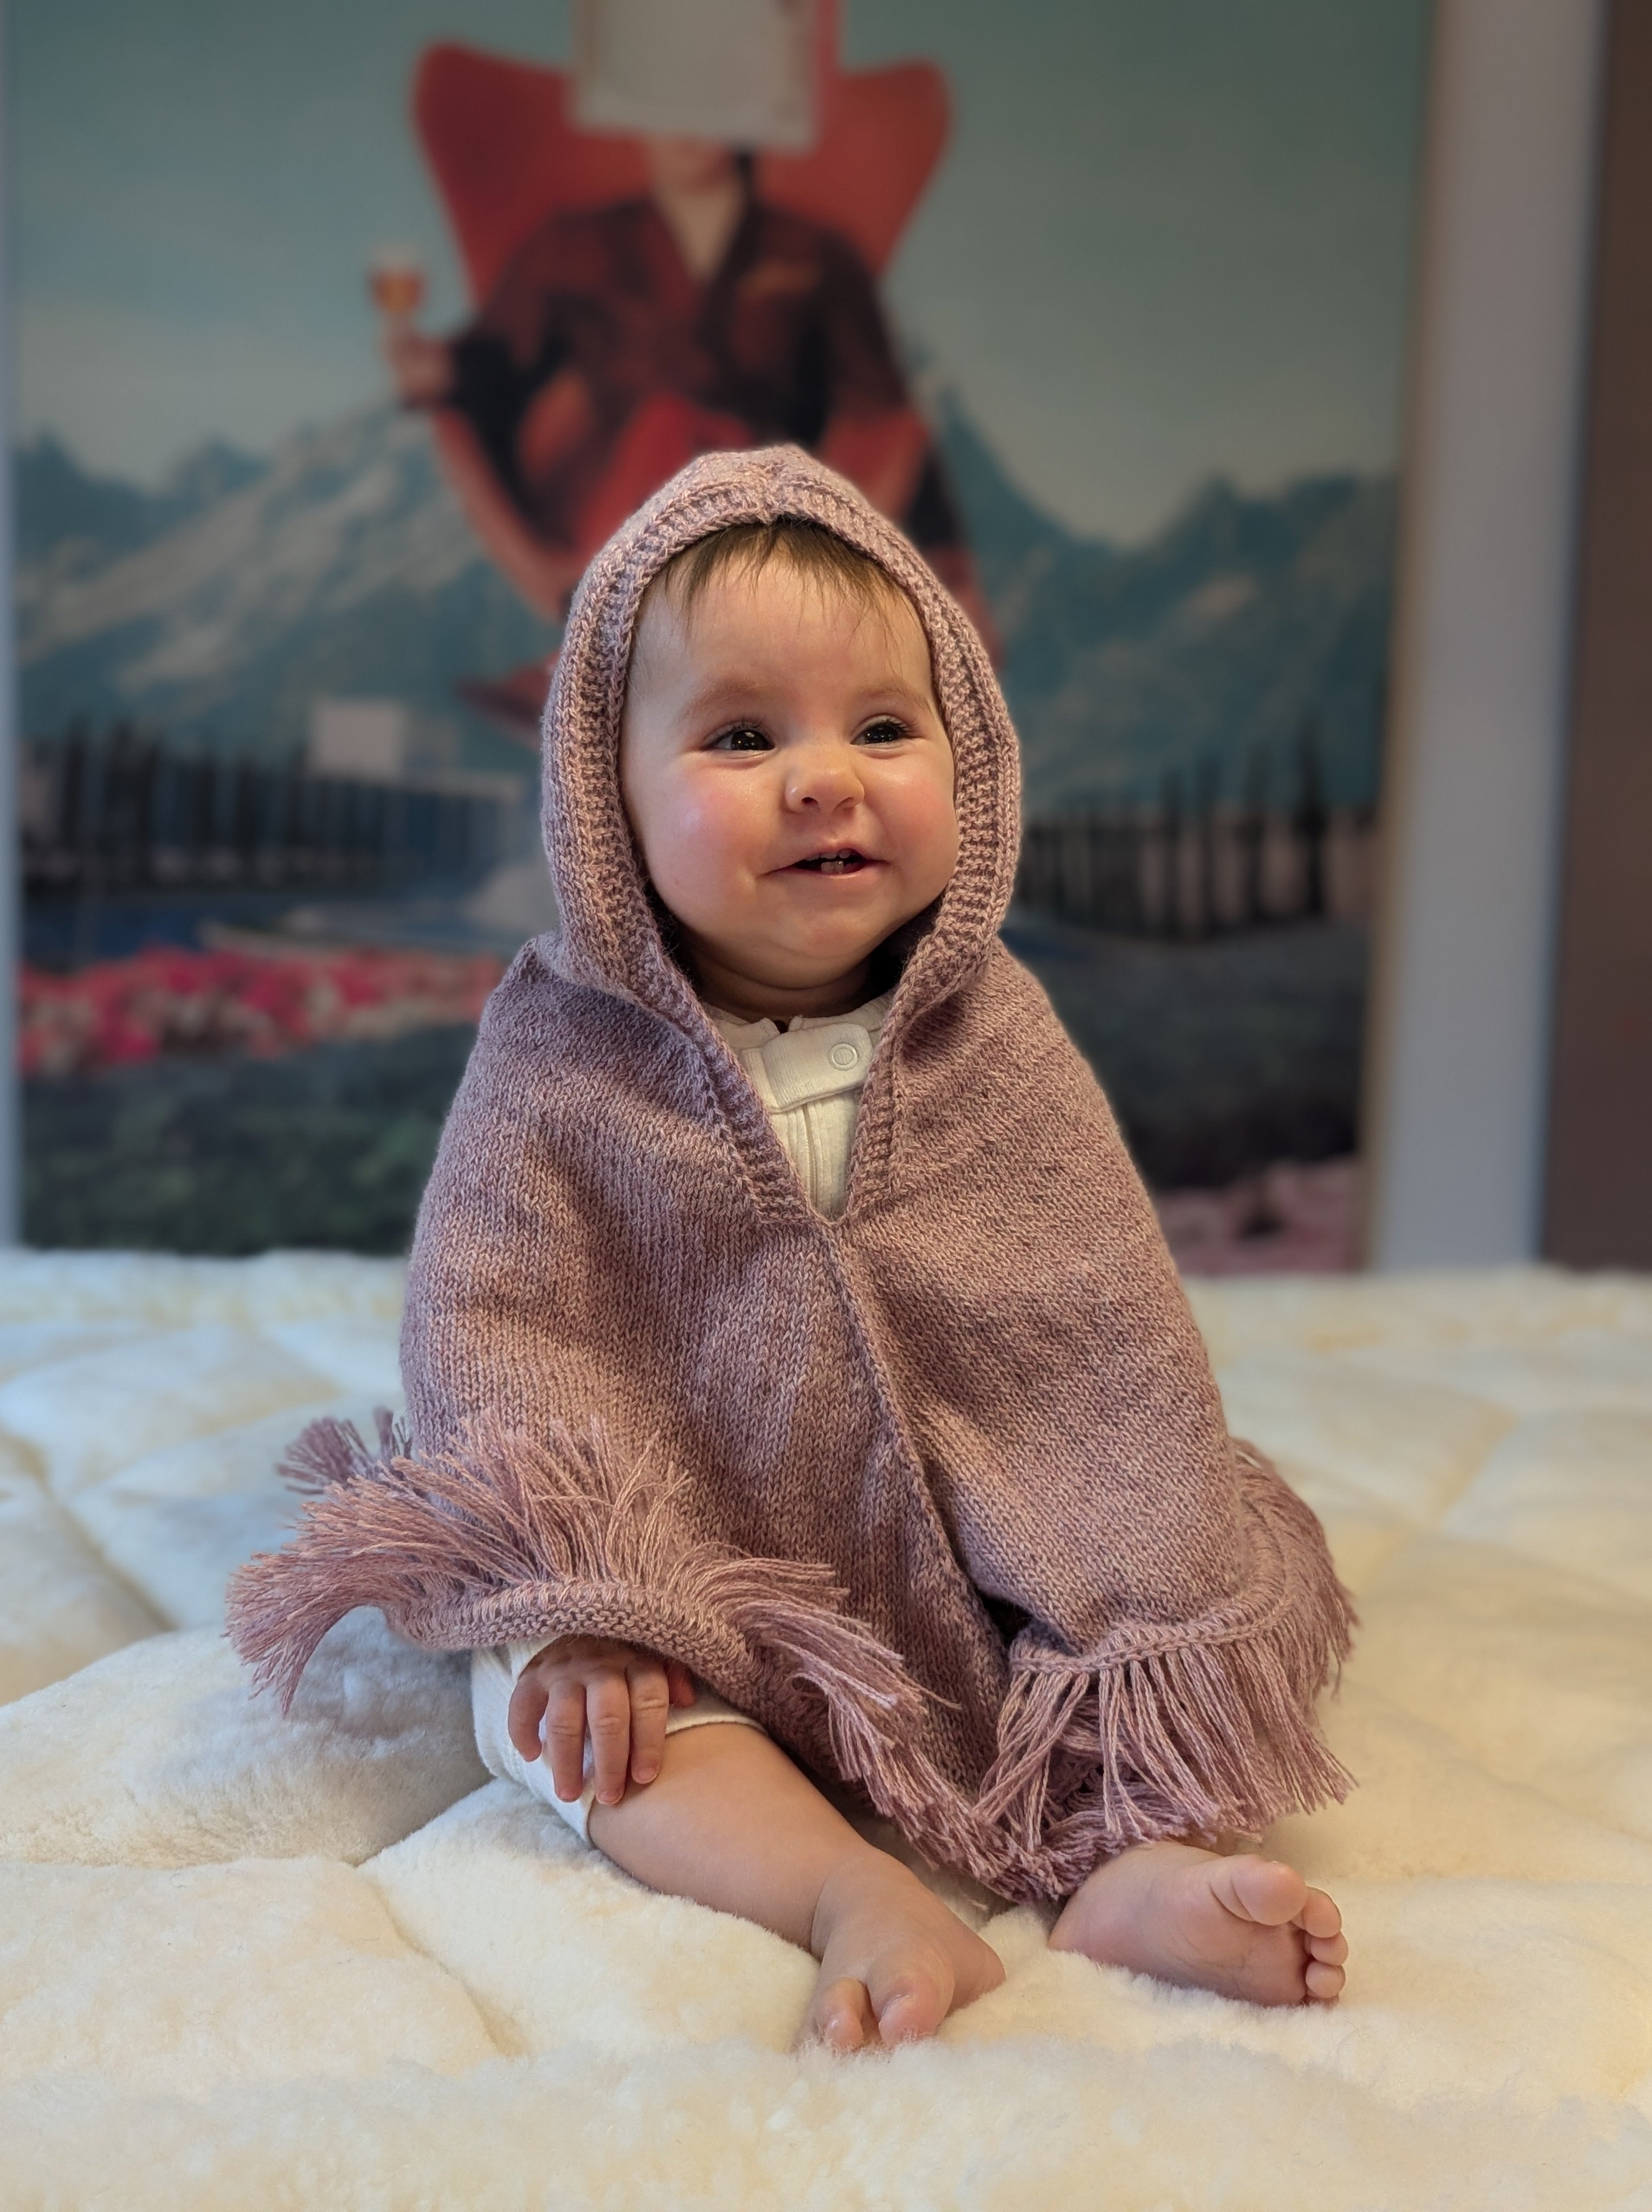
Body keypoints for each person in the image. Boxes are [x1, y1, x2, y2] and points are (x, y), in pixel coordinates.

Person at [230, 448, 1353, 2053]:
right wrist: (603, 1595)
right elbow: (500, 1324)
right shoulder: (567, 1055)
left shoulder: (997, 1038)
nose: (823, 778)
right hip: (693, 1565)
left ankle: (1131, 1868)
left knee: (1162, 1615)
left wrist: (1118, 1544)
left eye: (881, 729)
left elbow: (1098, 1326)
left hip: (971, 1563)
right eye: (743, 735)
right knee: (561, 1714)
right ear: (606, 802)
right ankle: (840, 1889)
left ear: (964, 757)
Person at [387, 137, 992, 646]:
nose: (687, 128)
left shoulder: (814, 256)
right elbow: (487, 370)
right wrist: (436, 373)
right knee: (666, 429)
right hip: (612, 524)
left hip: (766, 539)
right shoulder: (571, 246)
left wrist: (943, 560)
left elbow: (885, 417)